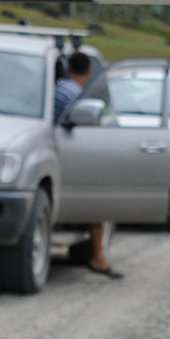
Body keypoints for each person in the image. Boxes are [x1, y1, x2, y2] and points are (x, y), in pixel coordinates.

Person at [52, 51, 121, 278]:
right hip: (65, 155)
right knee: (96, 205)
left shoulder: (56, 88)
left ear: (67, 66)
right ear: (89, 72)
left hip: (50, 151)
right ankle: (98, 257)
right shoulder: (77, 95)